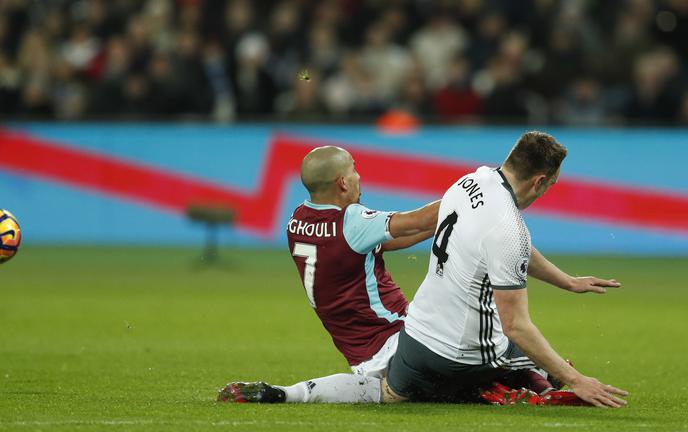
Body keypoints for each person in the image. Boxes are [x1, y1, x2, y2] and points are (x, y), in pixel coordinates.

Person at [380, 131, 629, 408]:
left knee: (392, 392)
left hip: (414, 341)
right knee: (549, 366)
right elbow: (515, 326)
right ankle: (507, 389)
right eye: (552, 184)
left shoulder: (470, 181)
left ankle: (441, 389)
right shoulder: (508, 228)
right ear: (540, 181)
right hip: (459, 355)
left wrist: (567, 281)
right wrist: (578, 379)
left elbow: (505, 248)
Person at [218, 145, 439, 403]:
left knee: (391, 391)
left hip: (362, 356)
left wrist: (445, 224)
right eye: (354, 169)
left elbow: (390, 239)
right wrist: (466, 200)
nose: (359, 176)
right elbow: (417, 221)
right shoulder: (351, 221)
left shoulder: (297, 219)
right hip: (400, 336)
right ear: (343, 182)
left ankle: (289, 394)